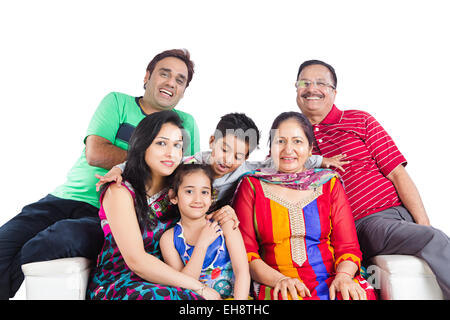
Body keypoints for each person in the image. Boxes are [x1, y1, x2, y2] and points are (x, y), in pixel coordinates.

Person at [0, 48, 200, 300]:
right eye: (164, 73)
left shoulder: (184, 123)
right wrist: (144, 157)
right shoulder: (118, 102)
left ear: (183, 90)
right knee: (5, 244)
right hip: (65, 197)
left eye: (180, 80)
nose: (171, 82)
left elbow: (184, 174)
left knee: (53, 241)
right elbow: (95, 152)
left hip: (109, 212)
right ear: (147, 76)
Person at [294, 59, 450, 299]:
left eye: (320, 83)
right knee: (432, 237)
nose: (311, 88)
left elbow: (397, 173)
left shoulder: (360, 120)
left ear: (334, 92)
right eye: (304, 82)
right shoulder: (293, 138)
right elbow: (272, 177)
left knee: (431, 235)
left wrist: (422, 223)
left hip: (394, 213)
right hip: (361, 224)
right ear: (296, 89)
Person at [87, 111, 231, 300]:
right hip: (122, 280)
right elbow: (137, 261)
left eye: (177, 145)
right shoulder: (120, 191)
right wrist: (199, 288)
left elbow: (202, 206)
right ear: (143, 144)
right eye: (161, 143)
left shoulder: (179, 188)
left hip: (172, 278)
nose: (171, 153)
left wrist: (227, 211)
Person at [232, 112, 377, 300]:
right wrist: (280, 280)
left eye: (297, 141)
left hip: (333, 279)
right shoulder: (252, 186)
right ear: (271, 148)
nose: (288, 149)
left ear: (310, 149)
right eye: (280, 141)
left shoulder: (328, 184)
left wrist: (344, 277)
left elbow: (348, 247)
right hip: (277, 283)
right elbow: (246, 253)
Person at [98, 113, 349, 212]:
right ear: (212, 141)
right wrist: (117, 169)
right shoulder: (193, 161)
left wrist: (321, 160)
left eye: (238, 156)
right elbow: (155, 163)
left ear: (247, 159)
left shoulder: (248, 170)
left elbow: (280, 160)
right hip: (178, 217)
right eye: (224, 149)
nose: (228, 160)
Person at [159, 163, 250, 300]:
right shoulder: (169, 239)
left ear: (212, 197)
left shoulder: (225, 223)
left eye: (204, 192)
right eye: (189, 191)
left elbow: (242, 271)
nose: (198, 199)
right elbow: (183, 285)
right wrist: (202, 244)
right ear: (173, 196)